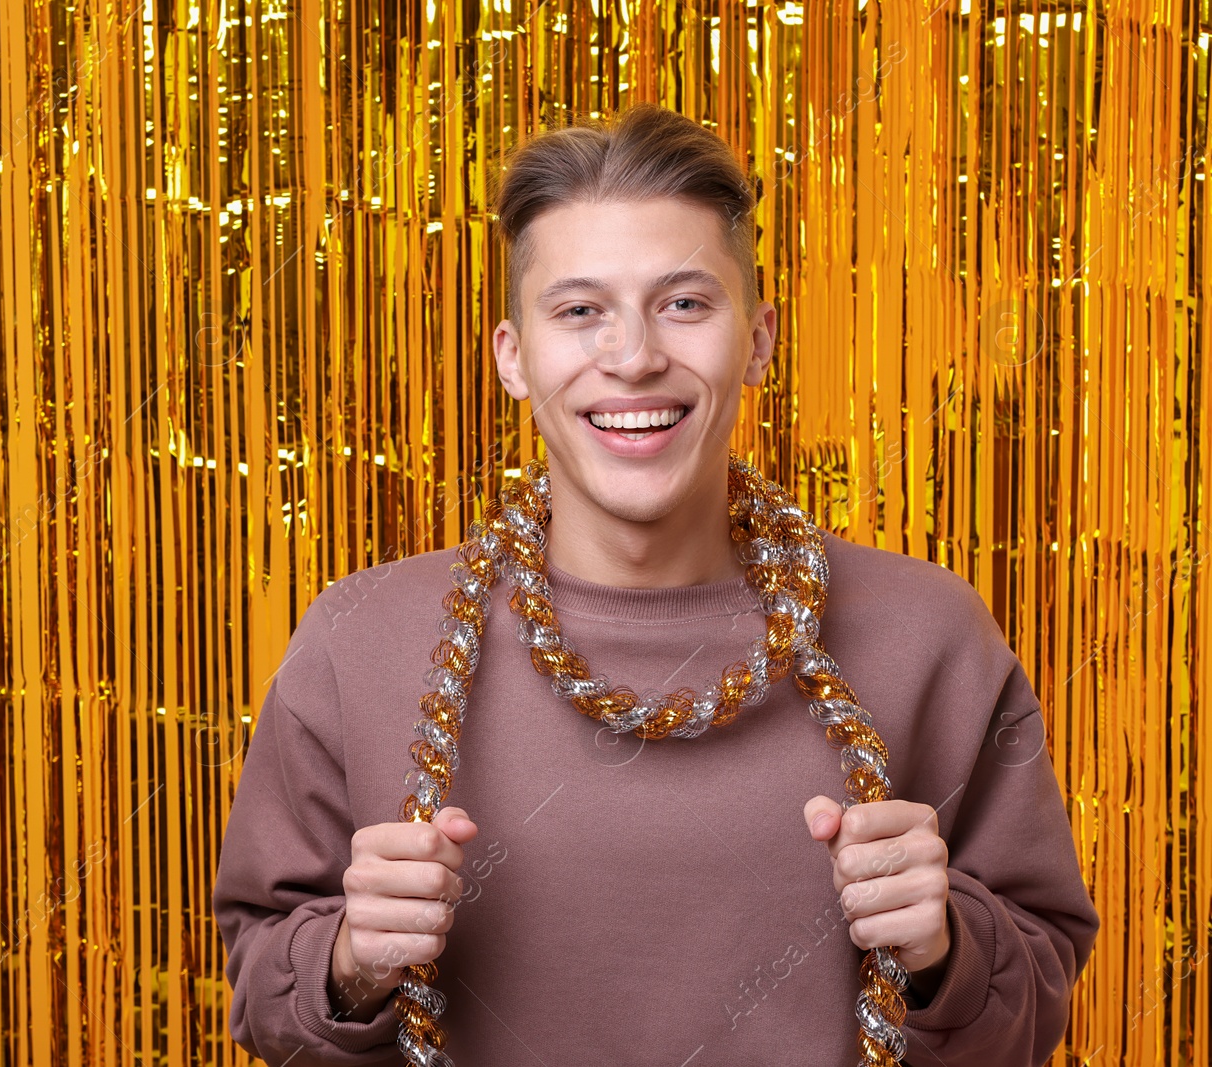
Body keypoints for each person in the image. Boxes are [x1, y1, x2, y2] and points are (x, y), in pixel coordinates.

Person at [212, 103, 1099, 1066]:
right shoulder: (357, 639)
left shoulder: (930, 633)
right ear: (514, 357)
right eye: (580, 310)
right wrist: (348, 962)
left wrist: (944, 947)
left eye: (683, 303)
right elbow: (266, 997)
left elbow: (1035, 995)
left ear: (757, 340)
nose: (633, 357)